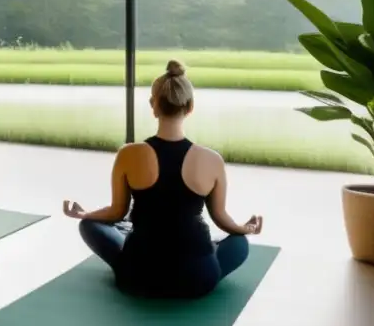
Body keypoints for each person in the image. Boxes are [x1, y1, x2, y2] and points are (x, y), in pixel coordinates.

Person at [63, 60, 263, 299]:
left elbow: (116, 211)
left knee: (89, 225)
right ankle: (209, 247)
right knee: (239, 242)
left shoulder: (128, 153)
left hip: (137, 277)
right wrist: (246, 228)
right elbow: (222, 219)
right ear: (190, 107)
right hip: (197, 280)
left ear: (153, 106)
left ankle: (128, 235)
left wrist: (85, 215)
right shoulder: (212, 160)